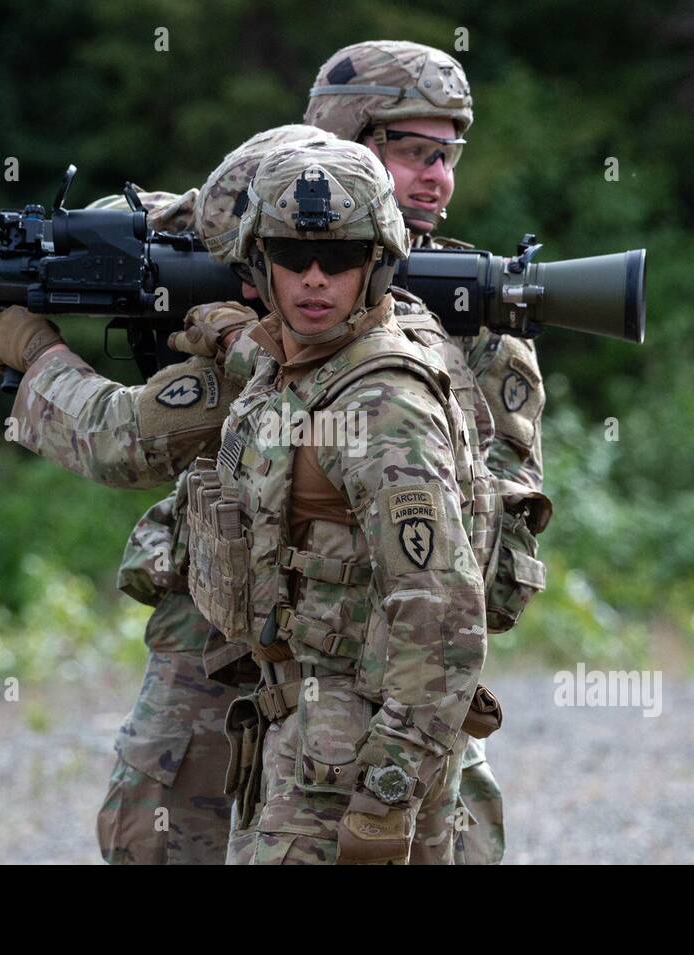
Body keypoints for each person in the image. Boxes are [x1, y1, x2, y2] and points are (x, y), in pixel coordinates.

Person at [0, 125, 325, 864]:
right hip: (257, 623)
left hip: (241, 638)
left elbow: (119, 437)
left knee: (167, 829)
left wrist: (36, 353)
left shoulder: (267, 349)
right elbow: (157, 218)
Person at [188, 137, 487, 864]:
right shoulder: (294, 368)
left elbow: (443, 612)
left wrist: (387, 794)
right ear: (259, 266)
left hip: (354, 759)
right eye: (292, 256)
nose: (314, 279)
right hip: (303, 737)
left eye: (342, 258)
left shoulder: (384, 402)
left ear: (378, 264)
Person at [304, 40, 554, 863]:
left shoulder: (479, 315)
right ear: (342, 143)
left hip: (408, 666)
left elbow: (499, 558)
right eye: (411, 152)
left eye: (445, 156)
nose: (435, 177)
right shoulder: (260, 275)